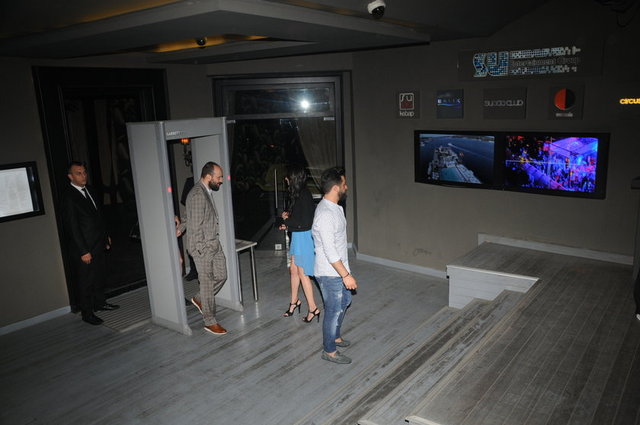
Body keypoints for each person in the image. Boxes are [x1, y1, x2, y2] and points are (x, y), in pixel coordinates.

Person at [62, 161, 119, 325]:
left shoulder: (91, 190)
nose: (83, 176)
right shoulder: (69, 197)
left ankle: (100, 303)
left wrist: (105, 236)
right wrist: (83, 251)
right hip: (85, 247)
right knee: (86, 281)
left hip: (98, 242)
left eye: (84, 172)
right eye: (79, 173)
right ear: (70, 177)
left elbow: (99, 215)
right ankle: (87, 313)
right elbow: (72, 227)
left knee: (99, 275)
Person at [177, 162, 228, 335]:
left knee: (222, 275)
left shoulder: (205, 191)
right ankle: (209, 321)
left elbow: (189, 216)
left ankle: (199, 298)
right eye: (219, 177)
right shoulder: (198, 194)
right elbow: (196, 227)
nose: (221, 180)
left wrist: (181, 228)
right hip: (204, 247)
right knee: (206, 283)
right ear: (208, 176)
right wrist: (201, 250)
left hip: (213, 243)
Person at [312, 167, 357, 364]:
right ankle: (329, 351)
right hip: (329, 272)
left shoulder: (336, 208)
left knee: (345, 300)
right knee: (332, 310)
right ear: (336, 188)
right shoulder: (325, 215)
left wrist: (346, 272)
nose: (346, 187)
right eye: (344, 184)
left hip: (338, 268)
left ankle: (335, 336)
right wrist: (346, 275)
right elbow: (330, 251)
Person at [280, 165, 320, 323]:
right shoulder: (299, 193)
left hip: (303, 237)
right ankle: (294, 302)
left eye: (288, 177)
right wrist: (288, 220)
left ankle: (313, 308)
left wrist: (287, 221)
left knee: (303, 274)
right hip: (298, 236)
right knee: (294, 271)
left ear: (294, 179)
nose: (286, 179)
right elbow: (300, 218)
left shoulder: (303, 195)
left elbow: (305, 222)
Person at [180, 176, 198, 281]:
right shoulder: (190, 181)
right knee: (192, 246)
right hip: (193, 217)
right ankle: (194, 271)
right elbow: (184, 200)